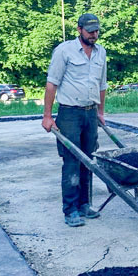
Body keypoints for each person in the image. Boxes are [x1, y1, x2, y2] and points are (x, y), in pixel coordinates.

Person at [41, 13, 108, 227]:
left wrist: (100, 112)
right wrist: (47, 116)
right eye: (90, 31)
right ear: (79, 30)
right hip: (69, 114)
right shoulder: (64, 51)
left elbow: (102, 85)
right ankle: (70, 210)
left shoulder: (101, 53)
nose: (94, 35)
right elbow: (52, 84)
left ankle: (84, 205)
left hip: (90, 113)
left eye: (96, 31)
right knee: (71, 162)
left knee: (89, 159)